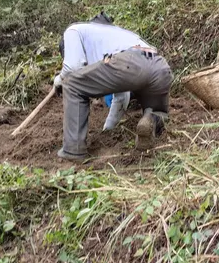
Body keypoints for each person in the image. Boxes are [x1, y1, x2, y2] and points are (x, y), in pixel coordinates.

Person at [53, 12, 173, 161]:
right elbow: (122, 96)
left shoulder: (73, 31)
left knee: (71, 84)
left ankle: (73, 151)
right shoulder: (114, 35)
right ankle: (150, 118)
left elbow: (72, 67)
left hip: (130, 63)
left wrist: (59, 80)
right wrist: (108, 130)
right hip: (160, 67)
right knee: (157, 111)